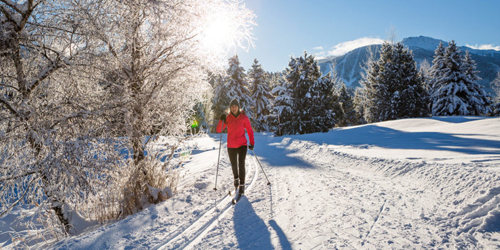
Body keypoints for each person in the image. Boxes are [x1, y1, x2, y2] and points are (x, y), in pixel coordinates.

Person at [216, 99, 255, 195]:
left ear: (238, 107)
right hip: (231, 146)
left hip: (242, 145)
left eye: (235, 106)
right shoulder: (228, 118)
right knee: (234, 165)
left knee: (241, 164)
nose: (234, 108)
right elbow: (218, 130)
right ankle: (236, 179)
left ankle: (242, 184)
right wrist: (221, 120)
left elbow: (250, 130)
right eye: (232, 106)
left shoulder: (244, 117)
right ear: (230, 108)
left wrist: (252, 143)